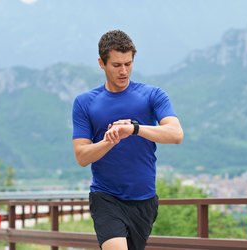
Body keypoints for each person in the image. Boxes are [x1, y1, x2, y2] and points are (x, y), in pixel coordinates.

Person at [72, 29, 184, 250]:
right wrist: (110, 140)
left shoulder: (153, 95)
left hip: (144, 200)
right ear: (101, 64)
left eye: (128, 63)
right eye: (116, 65)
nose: (124, 71)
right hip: (106, 198)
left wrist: (134, 129)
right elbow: (82, 157)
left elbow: (176, 134)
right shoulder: (85, 102)